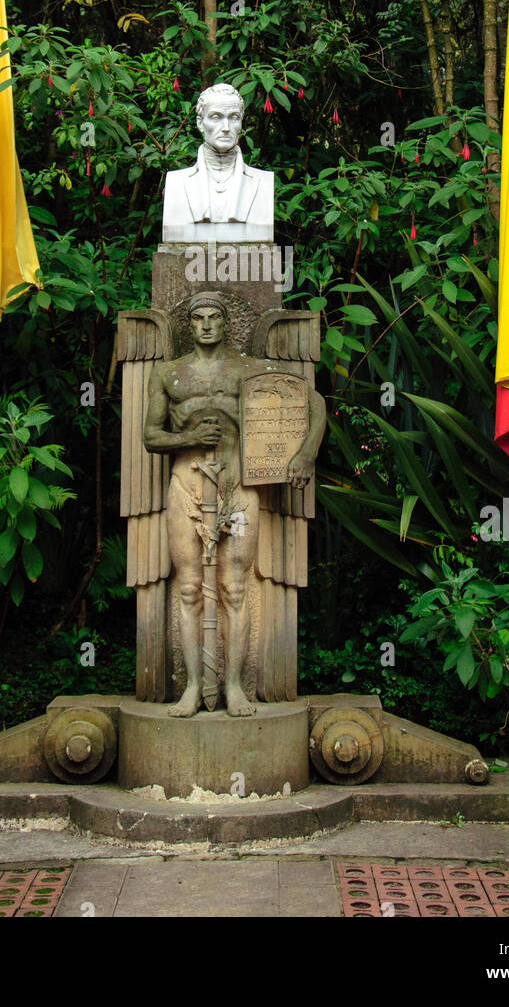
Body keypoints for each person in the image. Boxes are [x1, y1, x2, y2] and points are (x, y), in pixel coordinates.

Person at [143, 291, 325, 716]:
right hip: (186, 486)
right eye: (198, 318)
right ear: (189, 325)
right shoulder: (170, 375)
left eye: (214, 317)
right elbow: (150, 437)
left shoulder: (251, 370)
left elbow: (313, 403)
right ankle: (192, 686)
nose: (206, 324)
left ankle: (236, 686)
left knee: (234, 587)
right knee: (188, 588)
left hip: (239, 488)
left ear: (226, 323)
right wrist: (188, 438)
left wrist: (305, 455)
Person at [161, 83, 274, 243]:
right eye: (216, 117)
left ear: (241, 123)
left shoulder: (263, 182)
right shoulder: (176, 183)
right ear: (200, 123)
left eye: (234, 117)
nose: (226, 127)